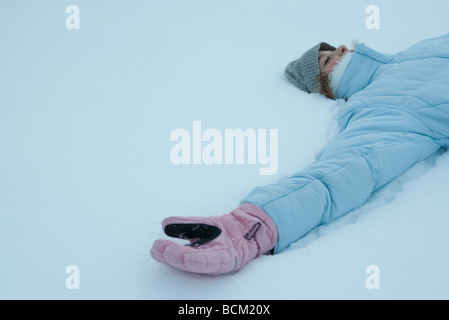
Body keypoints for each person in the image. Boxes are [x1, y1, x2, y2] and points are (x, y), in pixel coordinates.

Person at [150, 33, 449, 275]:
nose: (341, 49)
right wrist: (250, 226)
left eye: (333, 49)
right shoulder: (377, 108)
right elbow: (343, 173)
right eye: (328, 60)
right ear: (327, 88)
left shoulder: (421, 48)